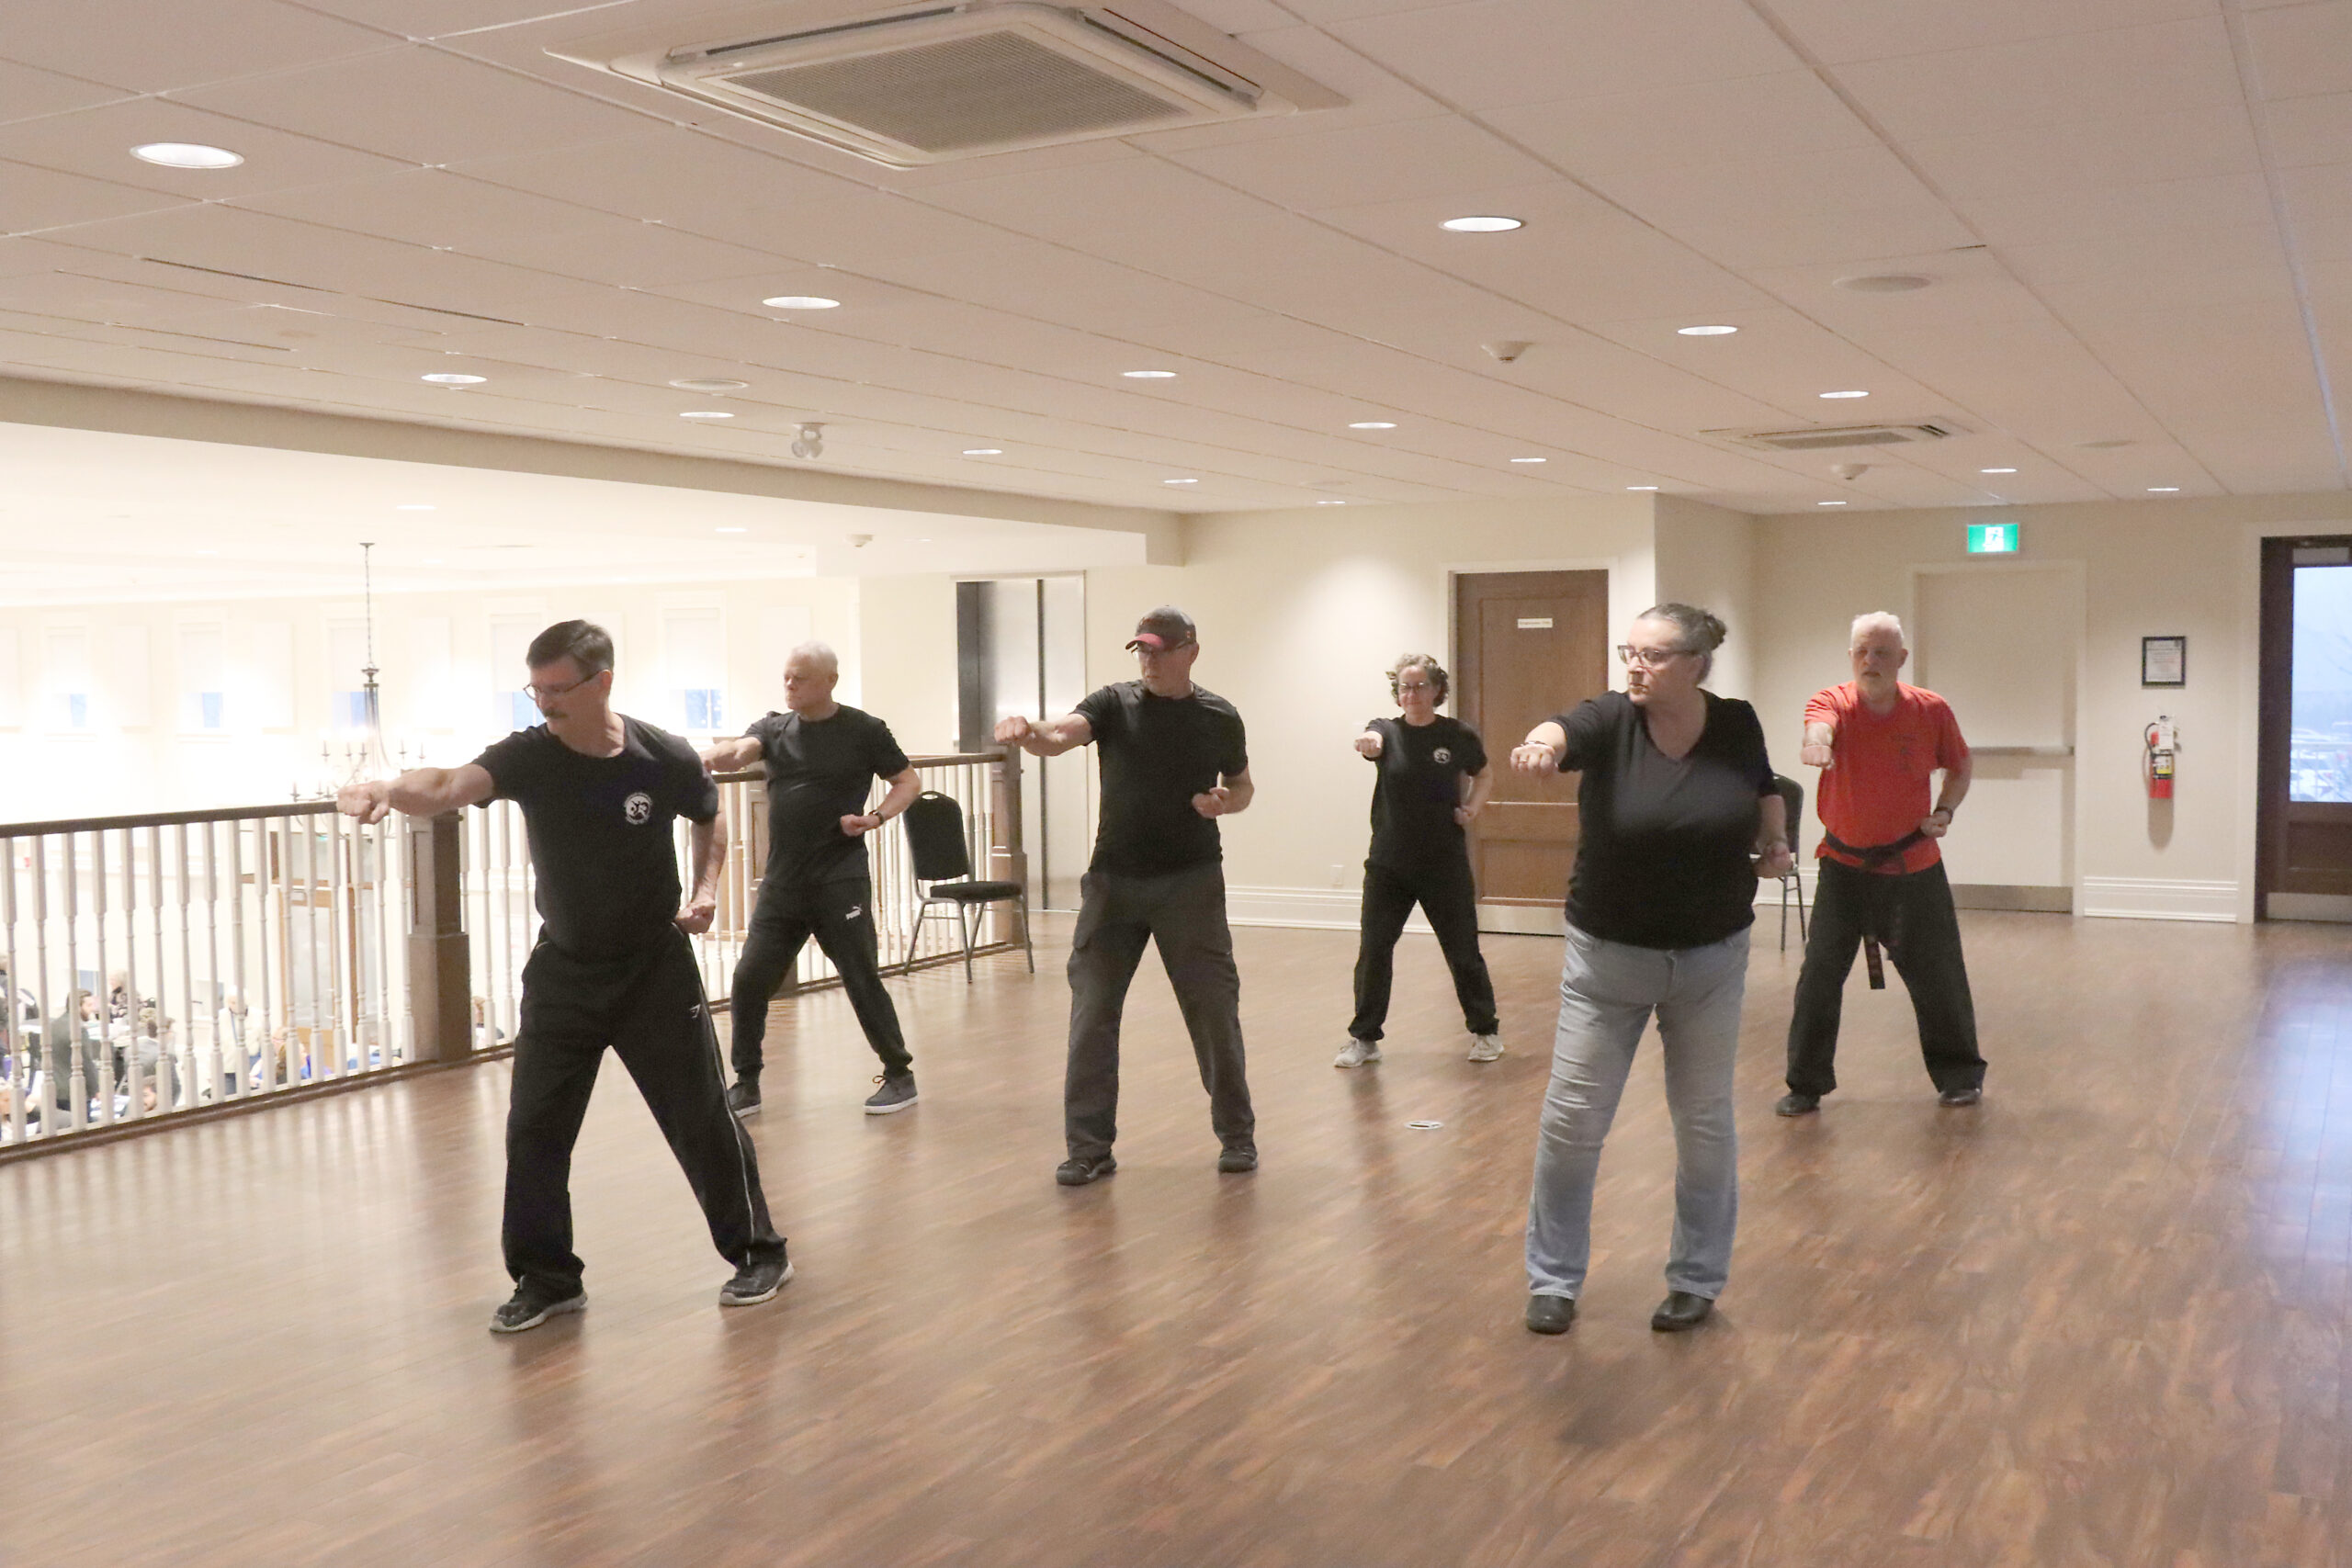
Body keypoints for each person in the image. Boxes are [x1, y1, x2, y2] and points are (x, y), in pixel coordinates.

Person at [338, 618, 790, 1334]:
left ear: (601, 681)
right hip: (565, 973)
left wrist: (705, 892)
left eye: (557, 689)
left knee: (700, 1117)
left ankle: (759, 1251)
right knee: (534, 1129)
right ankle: (547, 1277)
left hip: (652, 970)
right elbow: (450, 783)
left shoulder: (662, 755)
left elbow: (711, 815)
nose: (543, 703)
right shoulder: (529, 756)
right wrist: (387, 788)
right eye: (535, 689)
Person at [1511, 604, 1791, 1337]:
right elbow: (1562, 727)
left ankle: (1696, 1279)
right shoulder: (1613, 719)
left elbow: (1764, 786)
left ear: (1698, 663)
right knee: (1573, 1122)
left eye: (1654, 655)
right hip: (1609, 960)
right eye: (1629, 652)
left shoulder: (1735, 722)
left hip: (1711, 958)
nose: (1635, 666)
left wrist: (1776, 841)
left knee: (1704, 1123)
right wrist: (1539, 745)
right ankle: (1553, 1279)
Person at [995, 605, 1257, 1185]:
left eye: (1160, 650)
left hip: (1190, 883)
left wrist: (1225, 802)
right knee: (1091, 1013)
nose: (1149, 660)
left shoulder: (1218, 716)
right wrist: (1028, 730)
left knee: (1213, 1010)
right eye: (1141, 650)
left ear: (1191, 650)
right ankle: (1089, 1147)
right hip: (1113, 882)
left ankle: (1237, 1136)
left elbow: (1241, 786)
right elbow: (1062, 735)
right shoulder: (1113, 703)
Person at [699, 642, 921, 1118]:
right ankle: (747, 1082)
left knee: (860, 978)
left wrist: (876, 818)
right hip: (783, 884)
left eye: (800, 678)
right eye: (786, 678)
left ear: (829, 682)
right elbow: (743, 749)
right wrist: (716, 755)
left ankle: (899, 1074)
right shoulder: (772, 728)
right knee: (749, 979)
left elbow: (908, 781)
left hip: (839, 879)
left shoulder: (865, 730)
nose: (790, 686)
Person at [1778, 612, 1985, 1116]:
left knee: (1938, 975)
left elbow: (1960, 767)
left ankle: (1958, 1076)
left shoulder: (1930, 710)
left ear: (1901, 659)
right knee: (1821, 974)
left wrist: (1944, 811)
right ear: (1852, 655)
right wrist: (1817, 743)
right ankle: (1805, 1084)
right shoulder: (1832, 702)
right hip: (1843, 867)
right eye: (1862, 652)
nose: (1871, 661)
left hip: (1913, 866)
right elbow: (1819, 726)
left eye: (1882, 653)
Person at [1337, 653, 1500, 1067]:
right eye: (1405, 687)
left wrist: (1472, 809)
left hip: (1442, 862)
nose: (1412, 694)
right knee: (1374, 949)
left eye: (1420, 686)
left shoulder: (1457, 734)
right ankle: (1364, 1039)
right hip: (1388, 863)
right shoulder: (1385, 731)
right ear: (1397, 693)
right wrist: (1369, 744)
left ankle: (1485, 1032)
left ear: (1437, 691)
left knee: (1462, 949)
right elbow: (1372, 741)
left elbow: (1484, 774)